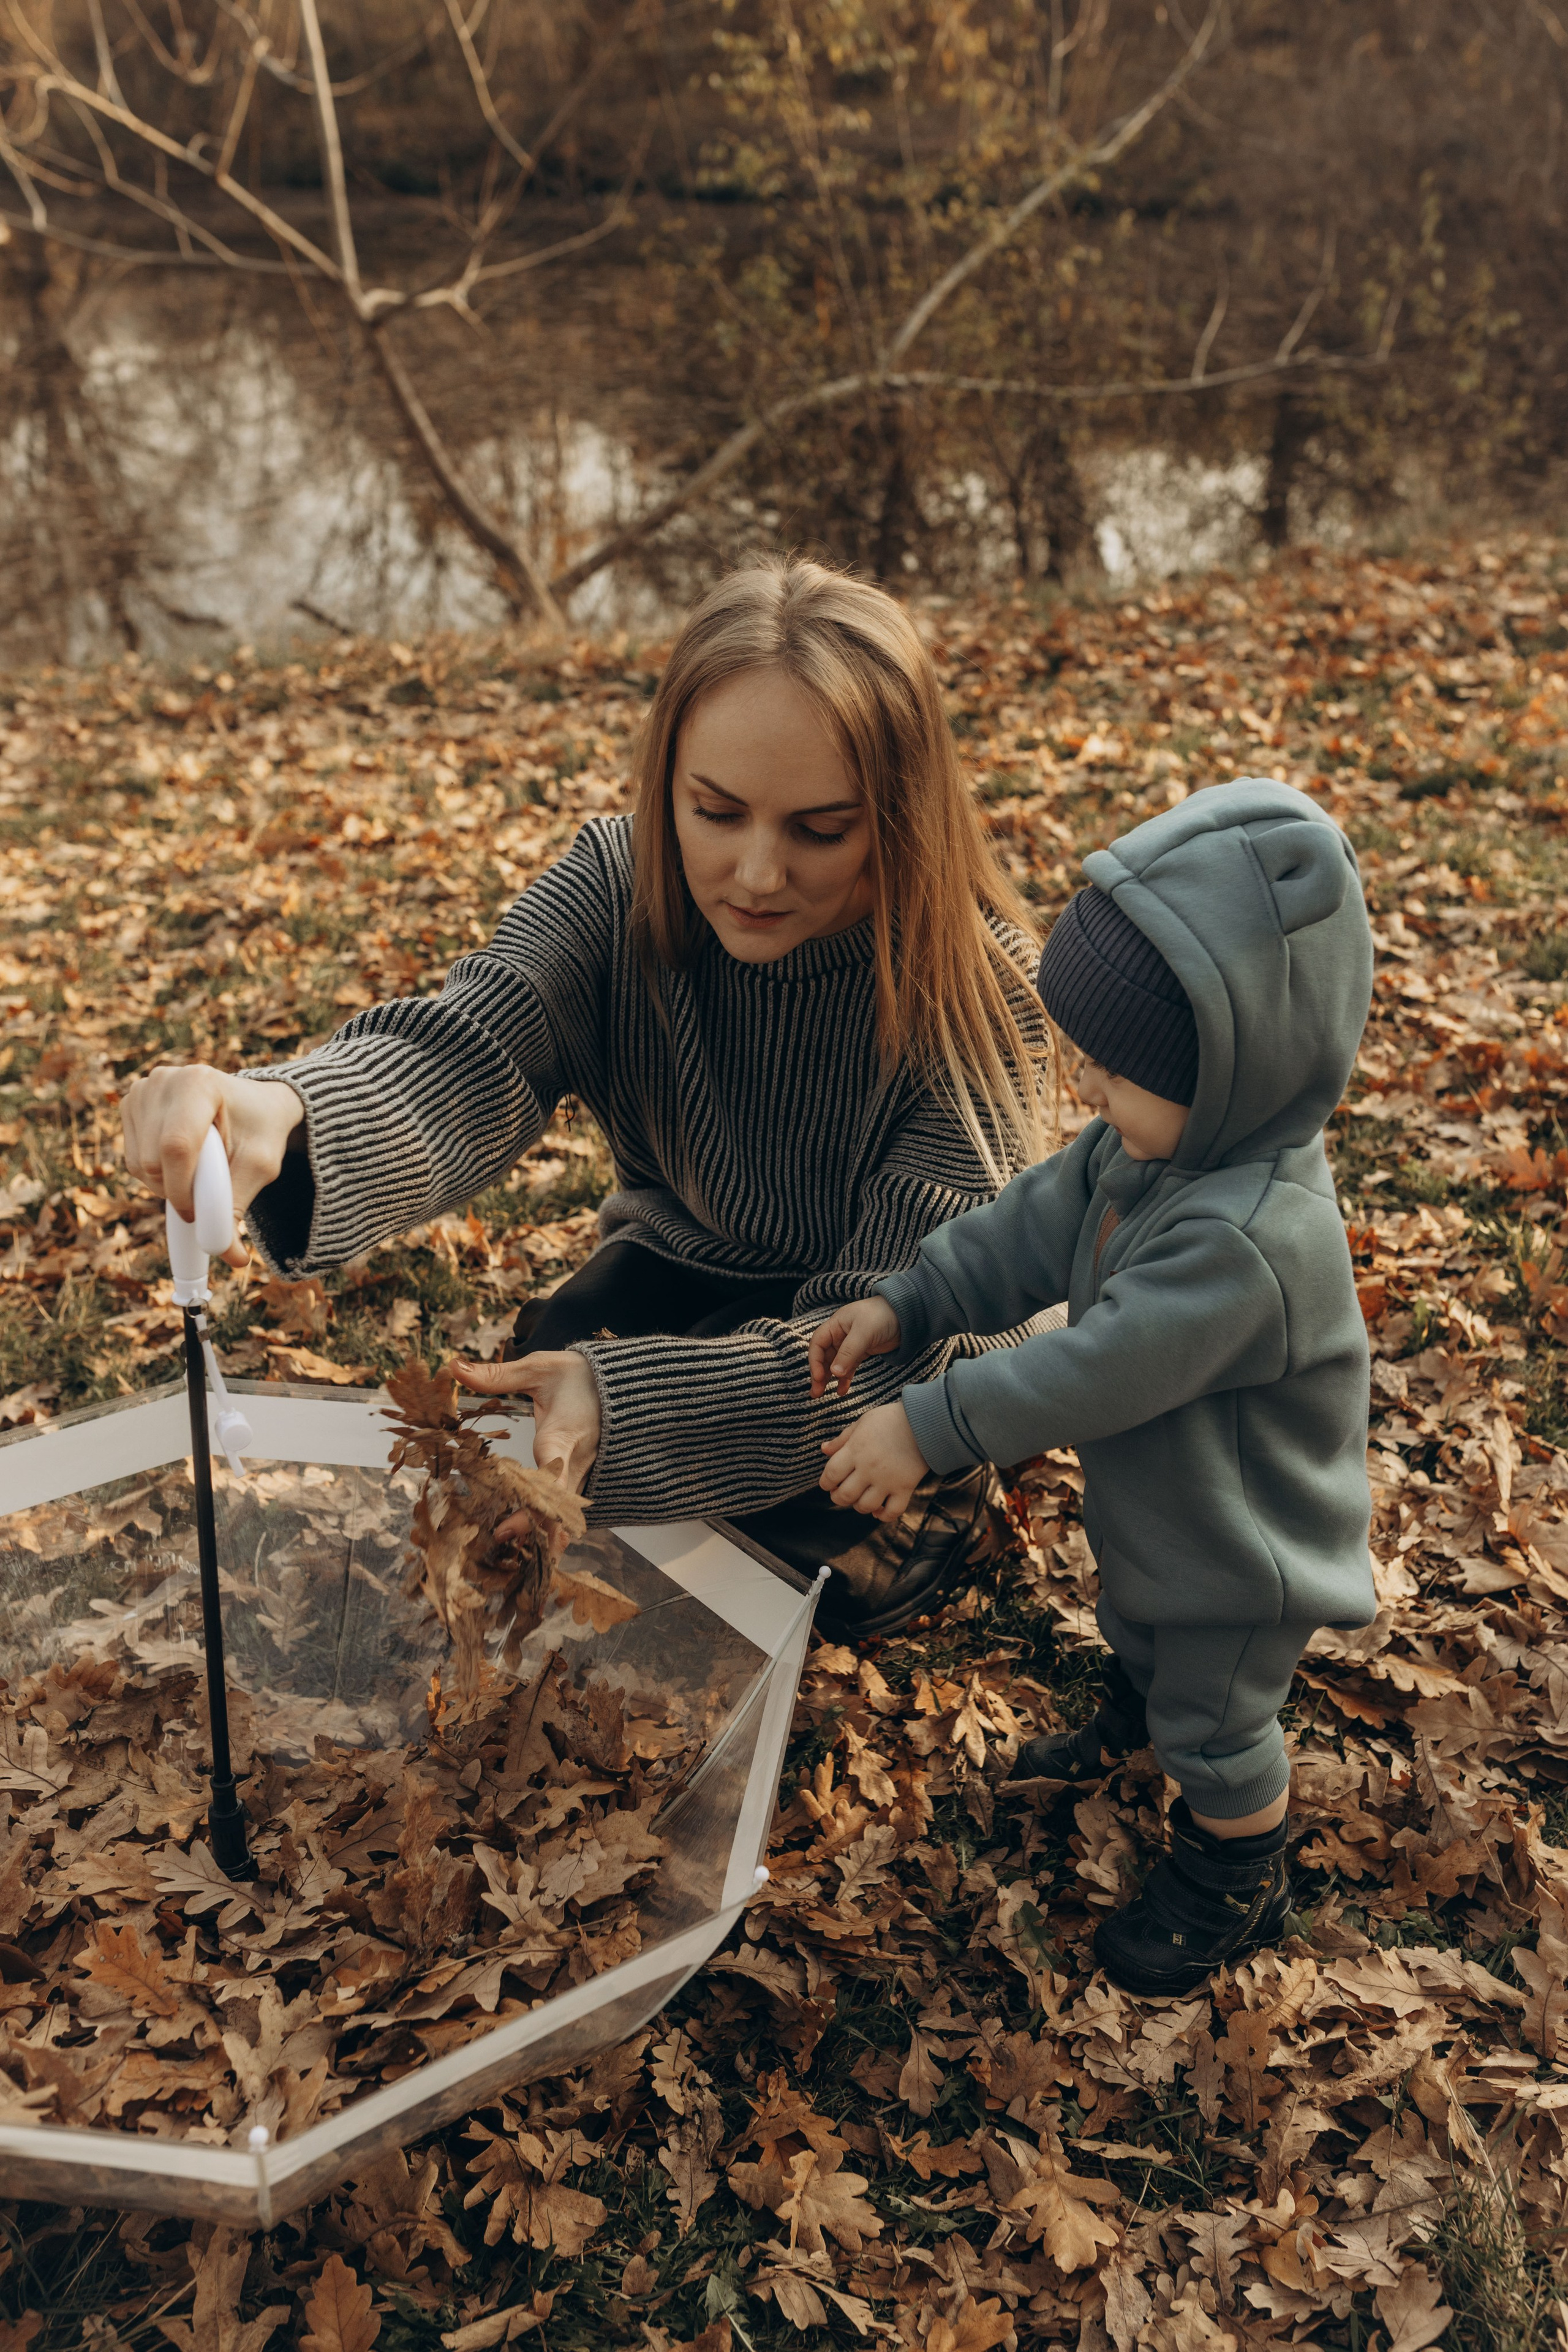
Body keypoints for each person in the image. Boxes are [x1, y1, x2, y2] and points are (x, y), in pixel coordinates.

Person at [121, 557, 1054, 1639]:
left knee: (781, 1574)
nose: (755, 873)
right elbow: (468, 1051)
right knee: (543, 1412)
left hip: (898, 1352)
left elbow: (889, 1338)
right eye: (716, 811)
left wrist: (626, 1400)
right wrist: (283, 1112)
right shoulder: (616, 887)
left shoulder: (978, 991)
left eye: (819, 829)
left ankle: (926, 1507)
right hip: (685, 1269)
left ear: (898, 818)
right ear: (666, 783)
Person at [807, 778, 1376, 1991]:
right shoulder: (1148, 1142)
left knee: (1215, 1723)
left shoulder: (1245, 1243)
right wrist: (913, 1299)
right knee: (1137, 1629)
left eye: (1111, 1075)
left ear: (1234, 1068)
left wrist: (929, 1424)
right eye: (1081, 1061)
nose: (1082, 1093)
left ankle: (1236, 1870)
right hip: (1167, 1511)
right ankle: (1131, 1717)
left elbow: (1094, 1371)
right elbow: (1028, 1224)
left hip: (1240, 1547)